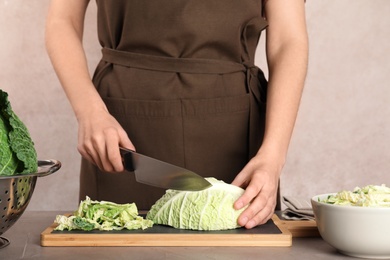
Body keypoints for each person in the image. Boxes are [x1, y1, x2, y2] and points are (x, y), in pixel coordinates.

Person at [45, 0, 308, 229]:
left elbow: (288, 40)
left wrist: (273, 156)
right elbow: (62, 20)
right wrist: (89, 112)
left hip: (235, 134)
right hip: (120, 132)